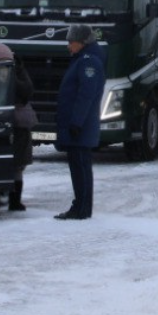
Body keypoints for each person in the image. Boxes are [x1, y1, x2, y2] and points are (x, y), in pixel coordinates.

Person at [54, 23, 106, 220]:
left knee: (80, 167)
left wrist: (76, 122)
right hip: (78, 126)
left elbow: (86, 95)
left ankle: (82, 208)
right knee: (78, 166)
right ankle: (80, 205)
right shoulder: (82, 59)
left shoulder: (88, 61)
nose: (68, 46)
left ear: (82, 42)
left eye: (71, 42)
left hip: (80, 127)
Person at [0, 41, 34, 211]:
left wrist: (11, 76)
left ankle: (15, 201)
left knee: (18, 165)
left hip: (19, 124)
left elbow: (27, 91)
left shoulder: (19, 71)